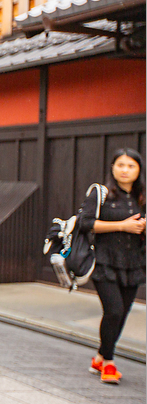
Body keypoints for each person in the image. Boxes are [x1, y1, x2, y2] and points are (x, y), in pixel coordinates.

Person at [78, 148, 145, 384]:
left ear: (138, 170)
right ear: (112, 168)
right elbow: (85, 223)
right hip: (104, 261)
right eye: (120, 165)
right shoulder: (102, 193)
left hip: (134, 263)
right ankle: (108, 362)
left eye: (131, 166)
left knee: (122, 314)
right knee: (114, 310)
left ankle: (99, 356)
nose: (125, 170)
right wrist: (122, 226)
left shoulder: (142, 197)